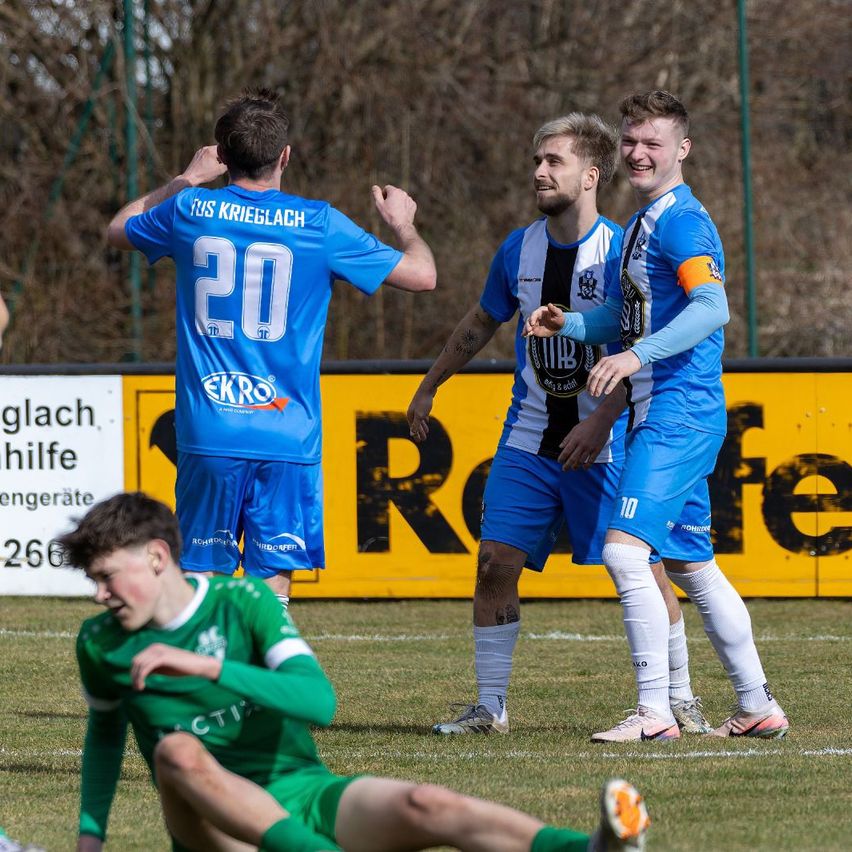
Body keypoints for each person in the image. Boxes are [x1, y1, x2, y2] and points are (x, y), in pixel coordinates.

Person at [62, 491, 651, 852]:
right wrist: (90, 838)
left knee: (428, 804)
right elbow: (105, 738)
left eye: (107, 575)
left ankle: (591, 848)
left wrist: (207, 666)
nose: (100, 594)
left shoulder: (242, 603)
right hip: (216, 833)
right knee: (177, 755)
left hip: (304, 794)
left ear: (157, 558)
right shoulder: (101, 642)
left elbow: (319, 704)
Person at [408, 113, 710, 736]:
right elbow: (478, 323)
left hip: (604, 443)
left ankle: (679, 698)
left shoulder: (626, 247)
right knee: (494, 561)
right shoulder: (517, 249)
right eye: (537, 160)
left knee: (645, 568)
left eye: (555, 161)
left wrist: (603, 416)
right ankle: (490, 709)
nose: (540, 172)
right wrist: (432, 383)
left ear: (592, 174)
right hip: (528, 438)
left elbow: (644, 340)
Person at [106, 88, 436, 609]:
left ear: (222, 155)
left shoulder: (190, 209)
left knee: (203, 578)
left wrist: (186, 178)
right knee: (273, 582)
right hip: (287, 432)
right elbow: (423, 276)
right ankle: (260, 684)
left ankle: (212, 683)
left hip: (211, 426)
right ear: (284, 155)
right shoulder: (319, 224)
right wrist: (403, 225)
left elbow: (118, 228)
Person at [524, 91, 788, 742]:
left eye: (654, 143)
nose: (640, 153)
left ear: (682, 150)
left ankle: (653, 714)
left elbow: (711, 308)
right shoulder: (644, 222)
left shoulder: (682, 223)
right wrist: (575, 323)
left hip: (681, 410)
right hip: (660, 411)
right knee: (694, 566)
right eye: (632, 141)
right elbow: (634, 315)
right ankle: (756, 705)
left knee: (624, 552)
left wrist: (634, 356)